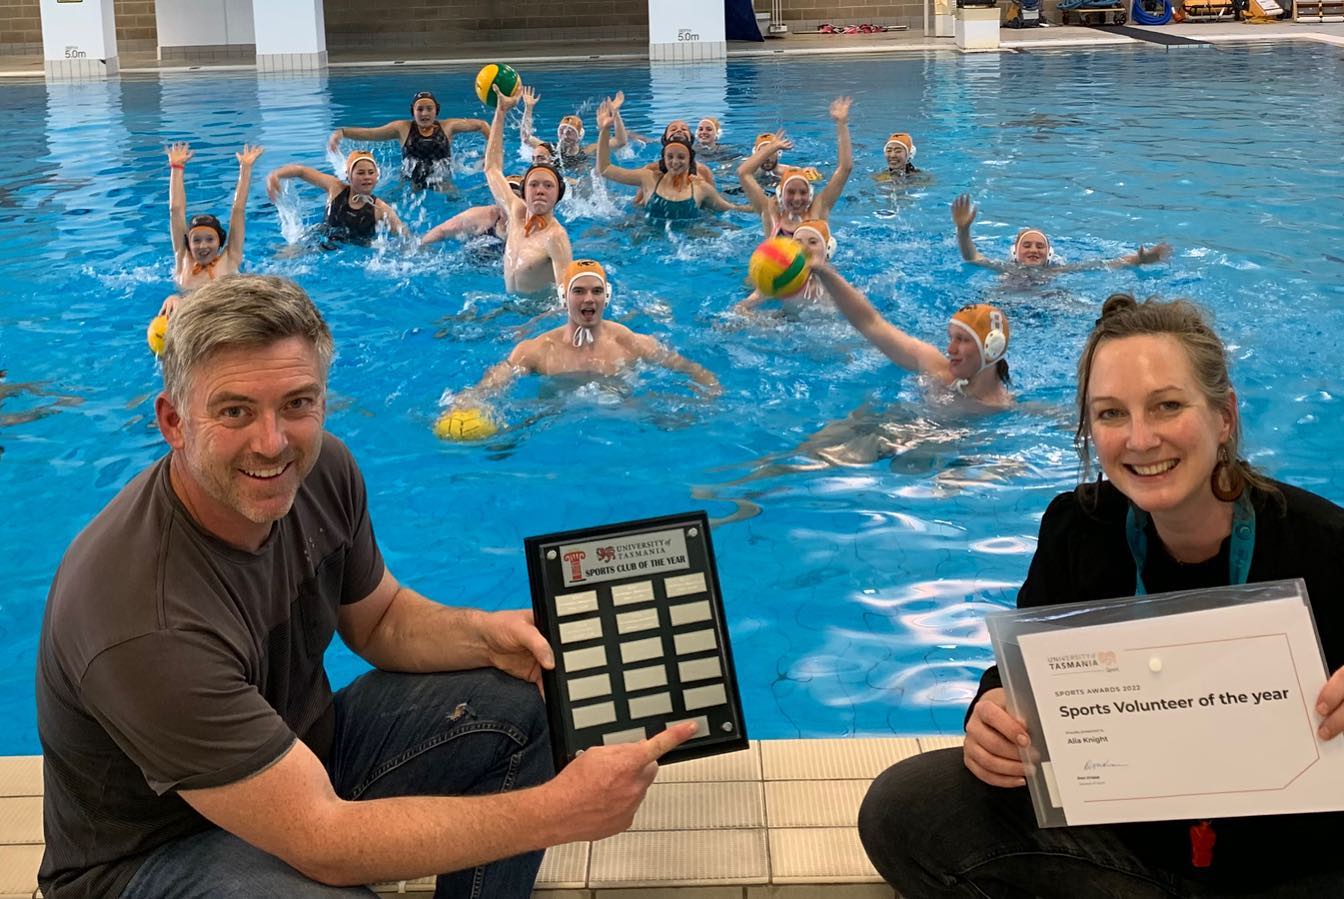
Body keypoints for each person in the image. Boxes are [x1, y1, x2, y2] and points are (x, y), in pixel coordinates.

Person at [36, 274, 699, 899]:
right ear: (173, 421)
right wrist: (560, 810)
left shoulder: (320, 470)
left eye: (296, 403)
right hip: (156, 854)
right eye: (234, 411)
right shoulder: (142, 616)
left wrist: (485, 636)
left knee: (522, 700)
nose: (272, 443)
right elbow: (322, 839)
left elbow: (378, 620)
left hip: (302, 762)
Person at [857, 293, 1344, 896]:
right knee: (902, 807)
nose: (1140, 440)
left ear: (1223, 417)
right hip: (1129, 847)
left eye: (1167, 406)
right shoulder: (1079, 528)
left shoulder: (1323, 543)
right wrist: (991, 714)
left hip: (1295, 862)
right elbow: (1019, 677)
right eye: (1112, 414)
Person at [458, 259, 721, 405]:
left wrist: (710, 394)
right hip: (555, 422)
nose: (589, 299)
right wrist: (468, 400)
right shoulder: (537, 350)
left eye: (596, 291)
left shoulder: (632, 343)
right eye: (579, 291)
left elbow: (692, 370)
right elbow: (498, 378)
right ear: (564, 297)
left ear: (607, 297)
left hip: (623, 420)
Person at [816, 263, 1013, 409]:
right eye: (951, 338)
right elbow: (871, 323)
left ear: (991, 348)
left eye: (962, 340)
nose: (950, 349)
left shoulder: (1001, 409)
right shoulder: (936, 367)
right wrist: (823, 271)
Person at [484, 87, 574, 293]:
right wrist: (500, 112)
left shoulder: (556, 236)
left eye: (548, 186)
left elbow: (565, 299)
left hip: (538, 317)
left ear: (558, 195)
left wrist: (530, 326)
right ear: (524, 192)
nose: (540, 190)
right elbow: (492, 168)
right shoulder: (516, 213)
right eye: (534, 185)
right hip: (509, 308)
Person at [160, 141, 263, 318]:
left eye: (210, 239)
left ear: (219, 241)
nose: (203, 246)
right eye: (196, 240)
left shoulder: (230, 259)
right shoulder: (183, 258)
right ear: (188, 243)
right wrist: (176, 168)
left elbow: (238, 209)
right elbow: (175, 210)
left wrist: (245, 169)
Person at [597, 103, 744, 222]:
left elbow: (714, 205)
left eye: (684, 129)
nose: (679, 131)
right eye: (673, 129)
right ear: (665, 140)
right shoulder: (650, 173)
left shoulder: (703, 176)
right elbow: (638, 202)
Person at [952, 193, 1172, 272]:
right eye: (1027, 245)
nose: (1033, 250)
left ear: (1049, 254)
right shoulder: (1004, 269)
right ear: (1015, 252)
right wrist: (963, 230)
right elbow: (971, 257)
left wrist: (1139, 259)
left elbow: (1106, 263)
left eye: (1040, 246)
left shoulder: (1057, 271)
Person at [738, 98, 854, 240]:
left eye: (803, 192)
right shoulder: (770, 212)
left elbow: (845, 168)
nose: (797, 198)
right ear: (780, 194)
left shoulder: (817, 211)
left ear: (810, 194)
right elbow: (743, 173)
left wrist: (842, 124)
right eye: (791, 192)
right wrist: (770, 148)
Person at [327, 91, 488, 189]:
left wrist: (488, 155)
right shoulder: (402, 128)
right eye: (420, 109)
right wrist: (342, 132)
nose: (424, 113)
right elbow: (372, 134)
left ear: (436, 111)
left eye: (429, 109)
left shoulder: (448, 126)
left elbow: (483, 125)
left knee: (456, 203)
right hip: (410, 183)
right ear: (413, 111)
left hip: (442, 181)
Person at [266, 151, 409, 247]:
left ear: (376, 176)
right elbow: (301, 171)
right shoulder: (336, 188)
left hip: (357, 252)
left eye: (371, 172)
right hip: (320, 238)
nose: (366, 177)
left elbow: (406, 238)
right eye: (360, 172)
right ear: (348, 176)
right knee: (288, 253)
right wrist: (276, 175)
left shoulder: (381, 209)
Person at [733, 220, 838, 317]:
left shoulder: (832, 281)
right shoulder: (785, 274)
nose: (804, 248)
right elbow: (743, 306)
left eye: (813, 242)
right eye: (798, 242)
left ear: (828, 248)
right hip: (786, 321)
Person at [520, 86, 629, 170]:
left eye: (570, 132)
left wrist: (616, 114)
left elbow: (620, 142)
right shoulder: (550, 149)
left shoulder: (587, 151)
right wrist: (528, 108)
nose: (565, 135)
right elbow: (526, 137)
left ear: (579, 136)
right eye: (562, 130)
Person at [420, 175, 522, 249]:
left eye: (516, 197)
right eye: (505, 198)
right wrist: (423, 247)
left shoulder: (534, 224)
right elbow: (441, 231)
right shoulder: (481, 216)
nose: (510, 203)